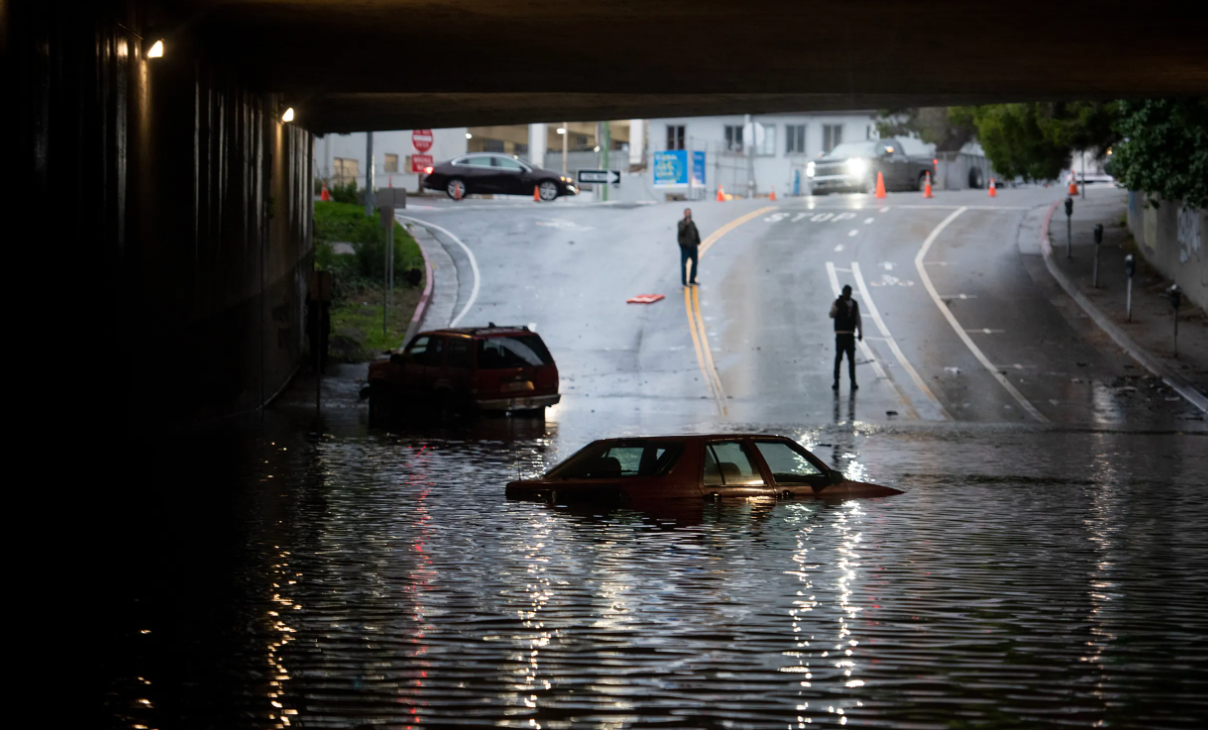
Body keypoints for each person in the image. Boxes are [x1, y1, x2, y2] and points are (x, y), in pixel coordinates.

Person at [829, 285, 862, 390]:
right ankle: (836, 381)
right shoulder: (837, 302)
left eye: (848, 293)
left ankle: (853, 381)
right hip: (840, 334)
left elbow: (858, 319)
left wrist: (860, 332)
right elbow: (831, 314)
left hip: (849, 335)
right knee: (838, 358)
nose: (846, 295)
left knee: (851, 360)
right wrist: (836, 306)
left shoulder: (854, 304)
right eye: (845, 293)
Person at [677, 208, 701, 286]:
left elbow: (696, 232)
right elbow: (681, 232)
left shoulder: (692, 223)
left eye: (690, 212)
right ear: (684, 214)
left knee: (695, 263)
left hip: (693, 246)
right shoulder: (681, 223)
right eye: (687, 213)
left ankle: (692, 280)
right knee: (684, 264)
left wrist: (698, 241)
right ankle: (684, 282)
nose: (689, 214)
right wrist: (686, 224)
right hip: (685, 247)